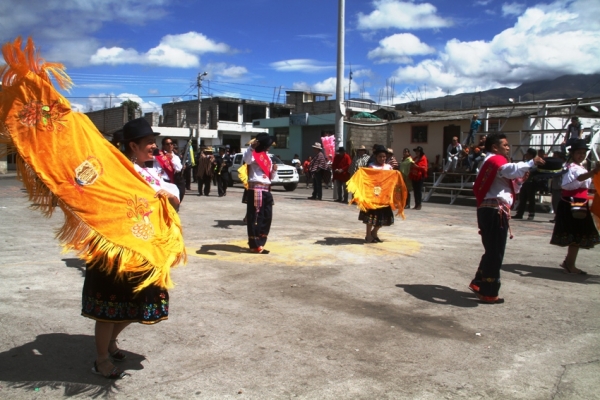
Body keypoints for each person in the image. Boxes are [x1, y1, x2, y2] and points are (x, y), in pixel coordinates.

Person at [469, 133, 545, 304]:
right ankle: (488, 291)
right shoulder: (496, 161)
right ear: (495, 147)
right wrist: (531, 163)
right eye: (505, 145)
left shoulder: (490, 163)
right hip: (495, 210)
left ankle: (479, 282)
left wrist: (519, 182)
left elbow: (508, 186)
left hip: (489, 209)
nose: (508, 147)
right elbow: (510, 170)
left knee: (491, 249)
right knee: (496, 251)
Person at [550, 139, 600, 274]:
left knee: (578, 235)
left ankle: (569, 262)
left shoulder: (581, 167)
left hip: (580, 204)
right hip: (571, 204)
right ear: (572, 153)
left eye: (583, 153)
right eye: (579, 153)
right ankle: (570, 264)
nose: (581, 155)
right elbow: (571, 183)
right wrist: (592, 172)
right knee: (575, 234)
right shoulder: (569, 168)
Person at [348, 145, 406, 243]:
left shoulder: (389, 168)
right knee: (370, 219)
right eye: (380, 157)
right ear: (376, 157)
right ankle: (368, 236)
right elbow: (367, 180)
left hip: (384, 198)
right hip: (373, 197)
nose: (382, 159)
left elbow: (392, 181)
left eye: (384, 157)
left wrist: (396, 170)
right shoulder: (371, 167)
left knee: (383, 219)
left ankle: (374, 233)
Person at [243, 133, 278, 254]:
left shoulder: (267, 157)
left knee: (267, 216)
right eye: (268, 144)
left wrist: (273, 170)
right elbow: (247, 160)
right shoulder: (253, 154)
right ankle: (254, 244)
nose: (270, 146)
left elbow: (270, 176)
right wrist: (251, 148)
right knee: (256, 217)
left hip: (266, 189)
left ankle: (261, 241)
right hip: (256, 189)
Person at [513, 148, 539, 220]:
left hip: (531, 182)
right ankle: (519, 213)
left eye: (527, 154)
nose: (526, 155)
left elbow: (533, 170)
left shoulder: (535, 163)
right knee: (522, 198)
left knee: (531, 199)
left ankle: (531, 213)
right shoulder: (525, 162)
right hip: (523, 182)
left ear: (531, 155)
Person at [549, 151, 567, 222]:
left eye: (556, 156)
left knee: (558, 204)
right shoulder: (556, 166)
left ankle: (559, 218)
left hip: (560, 187)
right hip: (555, 186)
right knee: (554, 203)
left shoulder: (564, 167)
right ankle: (557, 217)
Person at [409, 146, 428, 210]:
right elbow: (412, 164)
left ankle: (419, 204)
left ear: (420, 152)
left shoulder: (423, 158)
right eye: (416, 151)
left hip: (420, 176)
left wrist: (416, 166)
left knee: (419, 191)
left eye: (418, 151)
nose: (416, 152)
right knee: (415, 191)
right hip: (414, 175)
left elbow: (424, 167)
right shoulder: (415, 158)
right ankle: (416, 204)